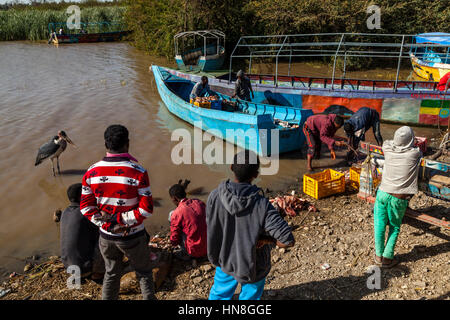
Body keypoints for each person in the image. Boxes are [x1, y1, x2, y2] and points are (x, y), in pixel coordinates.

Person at [206, 150, 295, 300]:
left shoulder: (214, 196)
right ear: (256, 174)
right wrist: (268, 240)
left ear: (231, 167)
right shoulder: (262, 205)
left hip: (225, 259)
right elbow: (287, 240)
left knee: (219, 294)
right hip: (253, 265)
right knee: (250, 297)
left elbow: (212, 226)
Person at [80, 124, 155, 300]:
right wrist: (122, 220)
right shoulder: (138, 172)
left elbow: (86, 208)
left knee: (111, 274)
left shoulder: (91, 172)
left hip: (106, 236)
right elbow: (146, 209)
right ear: (127, 144)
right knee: (144, 272)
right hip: (133, 236)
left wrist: (108, 224)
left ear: (106, 144)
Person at [372, 126, 422, 268]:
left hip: (382, 193)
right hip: (398, 198)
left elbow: (386, 142)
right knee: (394, 227)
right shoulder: (415, 153)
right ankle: (387, 259)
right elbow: (417, 148)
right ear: (411, 141)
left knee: (379, 225)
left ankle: (378, 256)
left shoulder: (387, 149)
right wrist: (414, 142)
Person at [60, 183, 104, 280]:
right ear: (81, 196)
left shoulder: (65, 212)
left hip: (68, 266)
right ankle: (98, 272)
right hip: (84, 268)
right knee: (106, 235)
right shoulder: (86, 213)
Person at [168, 180, 207, 261]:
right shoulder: (199, 202)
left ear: (174, 198)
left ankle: (187, 254)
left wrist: (173, 242)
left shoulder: (177, 213)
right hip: (210, 245)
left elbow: (174, 240)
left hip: (194, 251)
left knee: (171, 214)